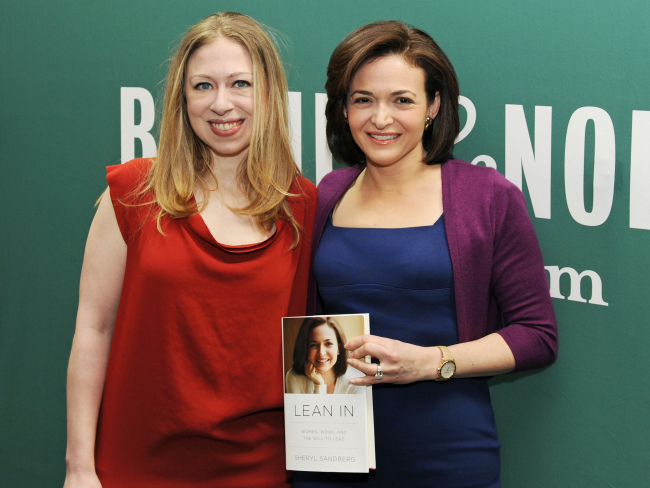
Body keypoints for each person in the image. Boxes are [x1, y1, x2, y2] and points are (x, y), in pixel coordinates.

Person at [299, 21, 558, 487]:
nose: (381, 118)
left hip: (446, 451)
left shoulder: (488, 197)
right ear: (342, 109)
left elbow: (536, 335)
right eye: (363, 100)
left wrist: (432, 362)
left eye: (402, 99)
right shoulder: (328, 193)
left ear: (434, 106)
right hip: (330, 451)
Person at [64, 12, 316, 488]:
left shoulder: (303, 206)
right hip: (135, 469)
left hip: (260, 472)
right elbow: (93, 328)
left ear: (269, 94)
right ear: (182, 98)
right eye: (203, 86)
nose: (222, 104)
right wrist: (80, 467)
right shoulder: (133, 192)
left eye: (240, 83)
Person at [285, 316, 360, 394]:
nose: (321, 353)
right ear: (305, 348)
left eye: (328, 343)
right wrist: (319, 385)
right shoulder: (294, 377)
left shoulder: (357, 379)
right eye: (313, 345)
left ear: (339, 348)